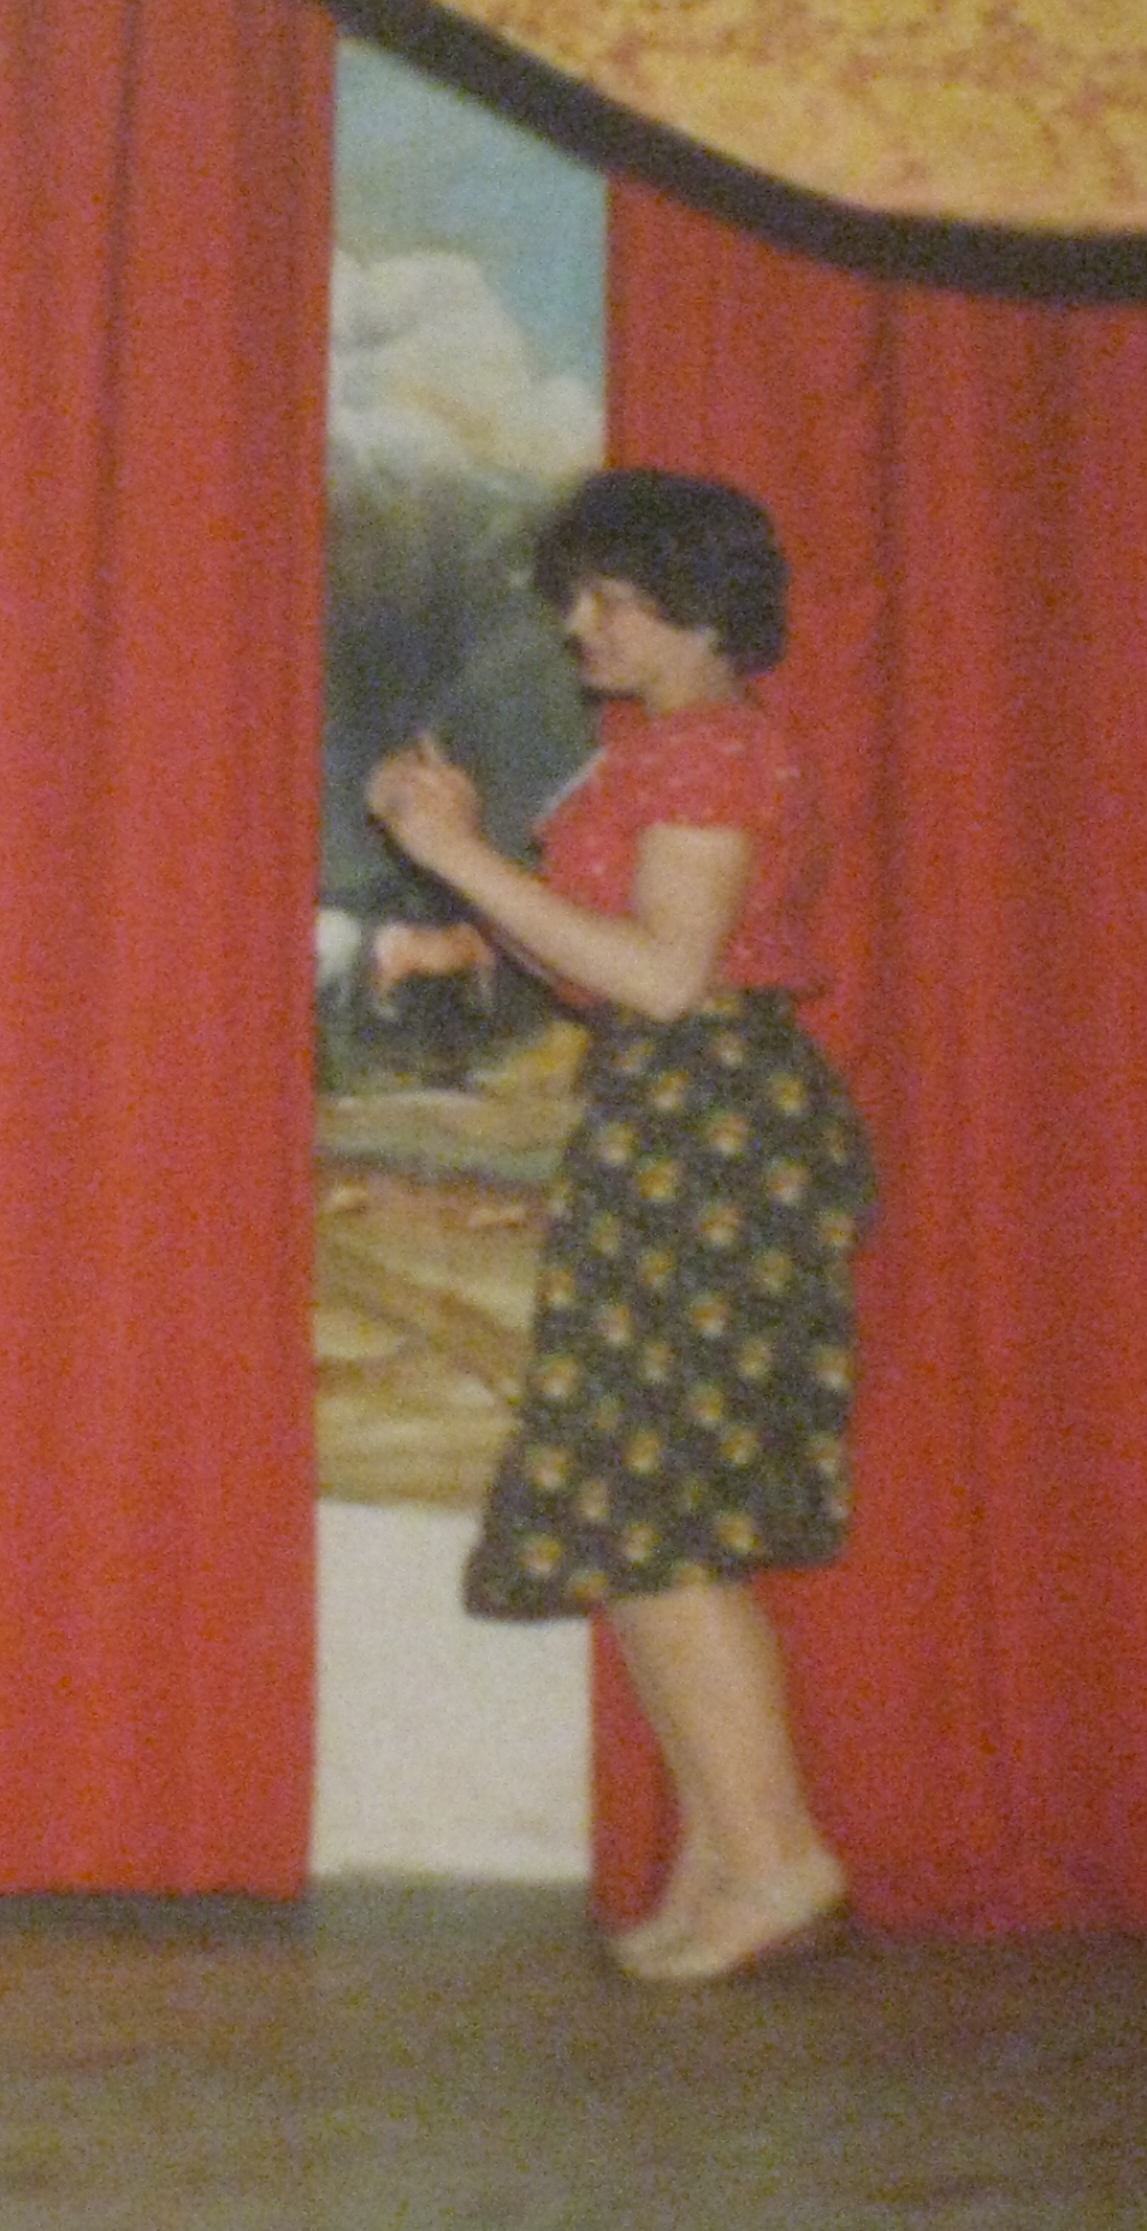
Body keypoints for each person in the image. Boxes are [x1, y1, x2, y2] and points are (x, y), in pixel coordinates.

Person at [364, 467, 874, 1986]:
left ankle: (777, 1859)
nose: (582, 624)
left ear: (702, 610)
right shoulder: (665, 748)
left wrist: (457, 857)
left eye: (615, 598)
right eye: (575, 597)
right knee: (648, 1505)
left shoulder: (707, 752)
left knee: (658, 1506)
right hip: (674, 1115)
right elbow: (616, 971)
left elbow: (659, 975)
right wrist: (471, 895)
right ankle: (731, 1851)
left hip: (708, 1123)